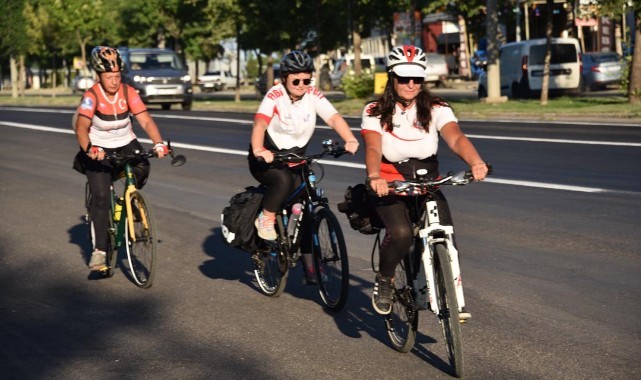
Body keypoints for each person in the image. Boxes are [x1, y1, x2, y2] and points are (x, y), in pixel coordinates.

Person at [361, 45, 489, 315]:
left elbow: (455, 137)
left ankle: (452, 297)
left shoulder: (436, 107)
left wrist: (475, 162)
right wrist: (374, 176)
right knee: (401, 234)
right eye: (404, 78)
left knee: (447, 234)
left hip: (427, 182)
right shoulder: (374, 110)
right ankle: (385, 280)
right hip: (391, 183)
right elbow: (372, 147)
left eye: (416, 79)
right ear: (391, 78)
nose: (410, 84)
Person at [248, 50, 359, 282]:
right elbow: (260, 124)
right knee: (283, 181)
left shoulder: (313, 95)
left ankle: (311, 266)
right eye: (296, 80)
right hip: (268, 157)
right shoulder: (275, 94)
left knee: (309, 202)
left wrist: (350, 138)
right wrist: (259, 149)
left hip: (297, 157)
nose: (301, 85)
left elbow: (334, 118)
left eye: (306, 80)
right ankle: (266, 218)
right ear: (285, 79)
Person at [73, 46, 169, 271]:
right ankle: (99, 251)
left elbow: (145, 120)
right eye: (109, 77)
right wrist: (90, 148)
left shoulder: (128, 93)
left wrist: (158, 143)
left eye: (117, 76)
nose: (114, 81)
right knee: (100, 197)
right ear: (99, 76)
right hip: (98, 148)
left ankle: (131, 200)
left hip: (126, 142)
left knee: (143, 166)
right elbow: (81, 127)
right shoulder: (92, 97)